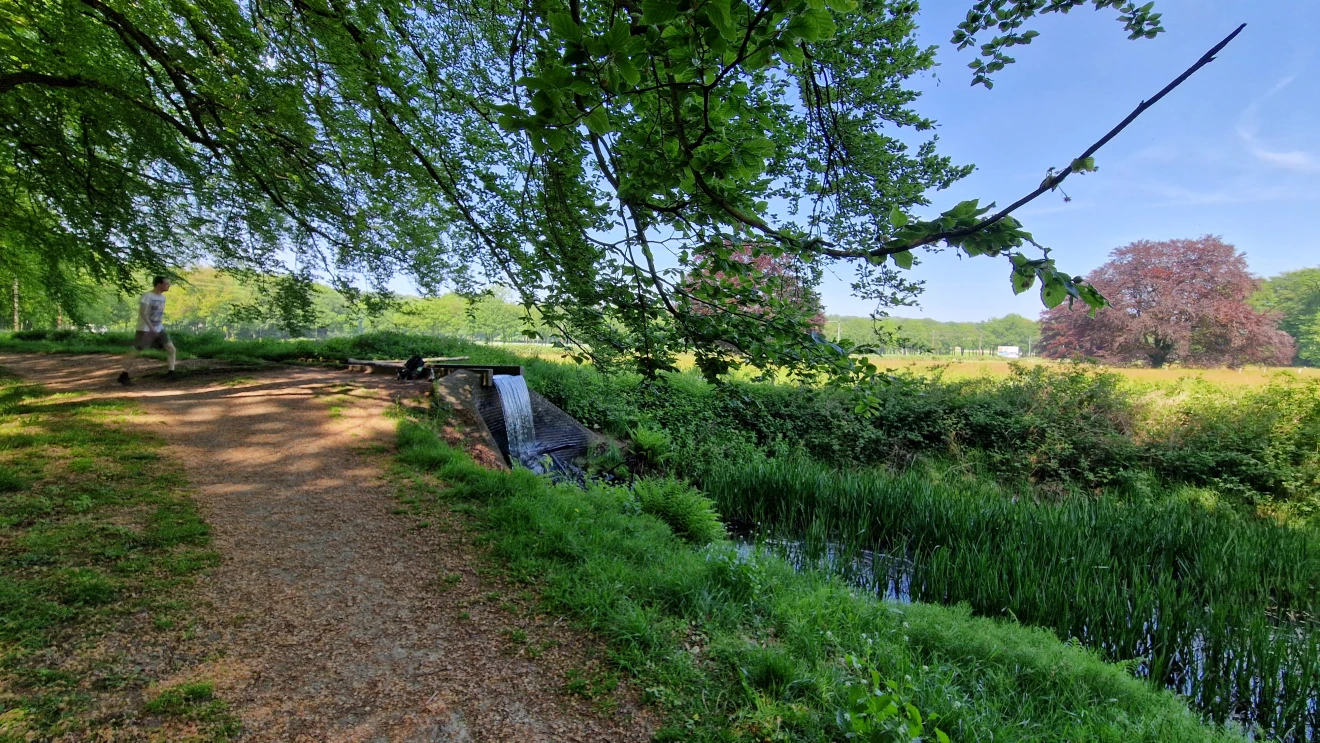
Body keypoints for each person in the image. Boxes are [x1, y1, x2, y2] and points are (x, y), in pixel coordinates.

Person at [118, 276, 176, 385]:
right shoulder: (147, 296)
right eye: (166, 283)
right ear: (159, 284)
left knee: (171, 348)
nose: (169, 286)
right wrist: (151, 328)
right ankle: (124, 375)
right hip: (145, 329)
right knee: (136, 351)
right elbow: (143, 313)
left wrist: (157, 328)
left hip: (159, 327)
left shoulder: (163, 298)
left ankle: (171, 373)